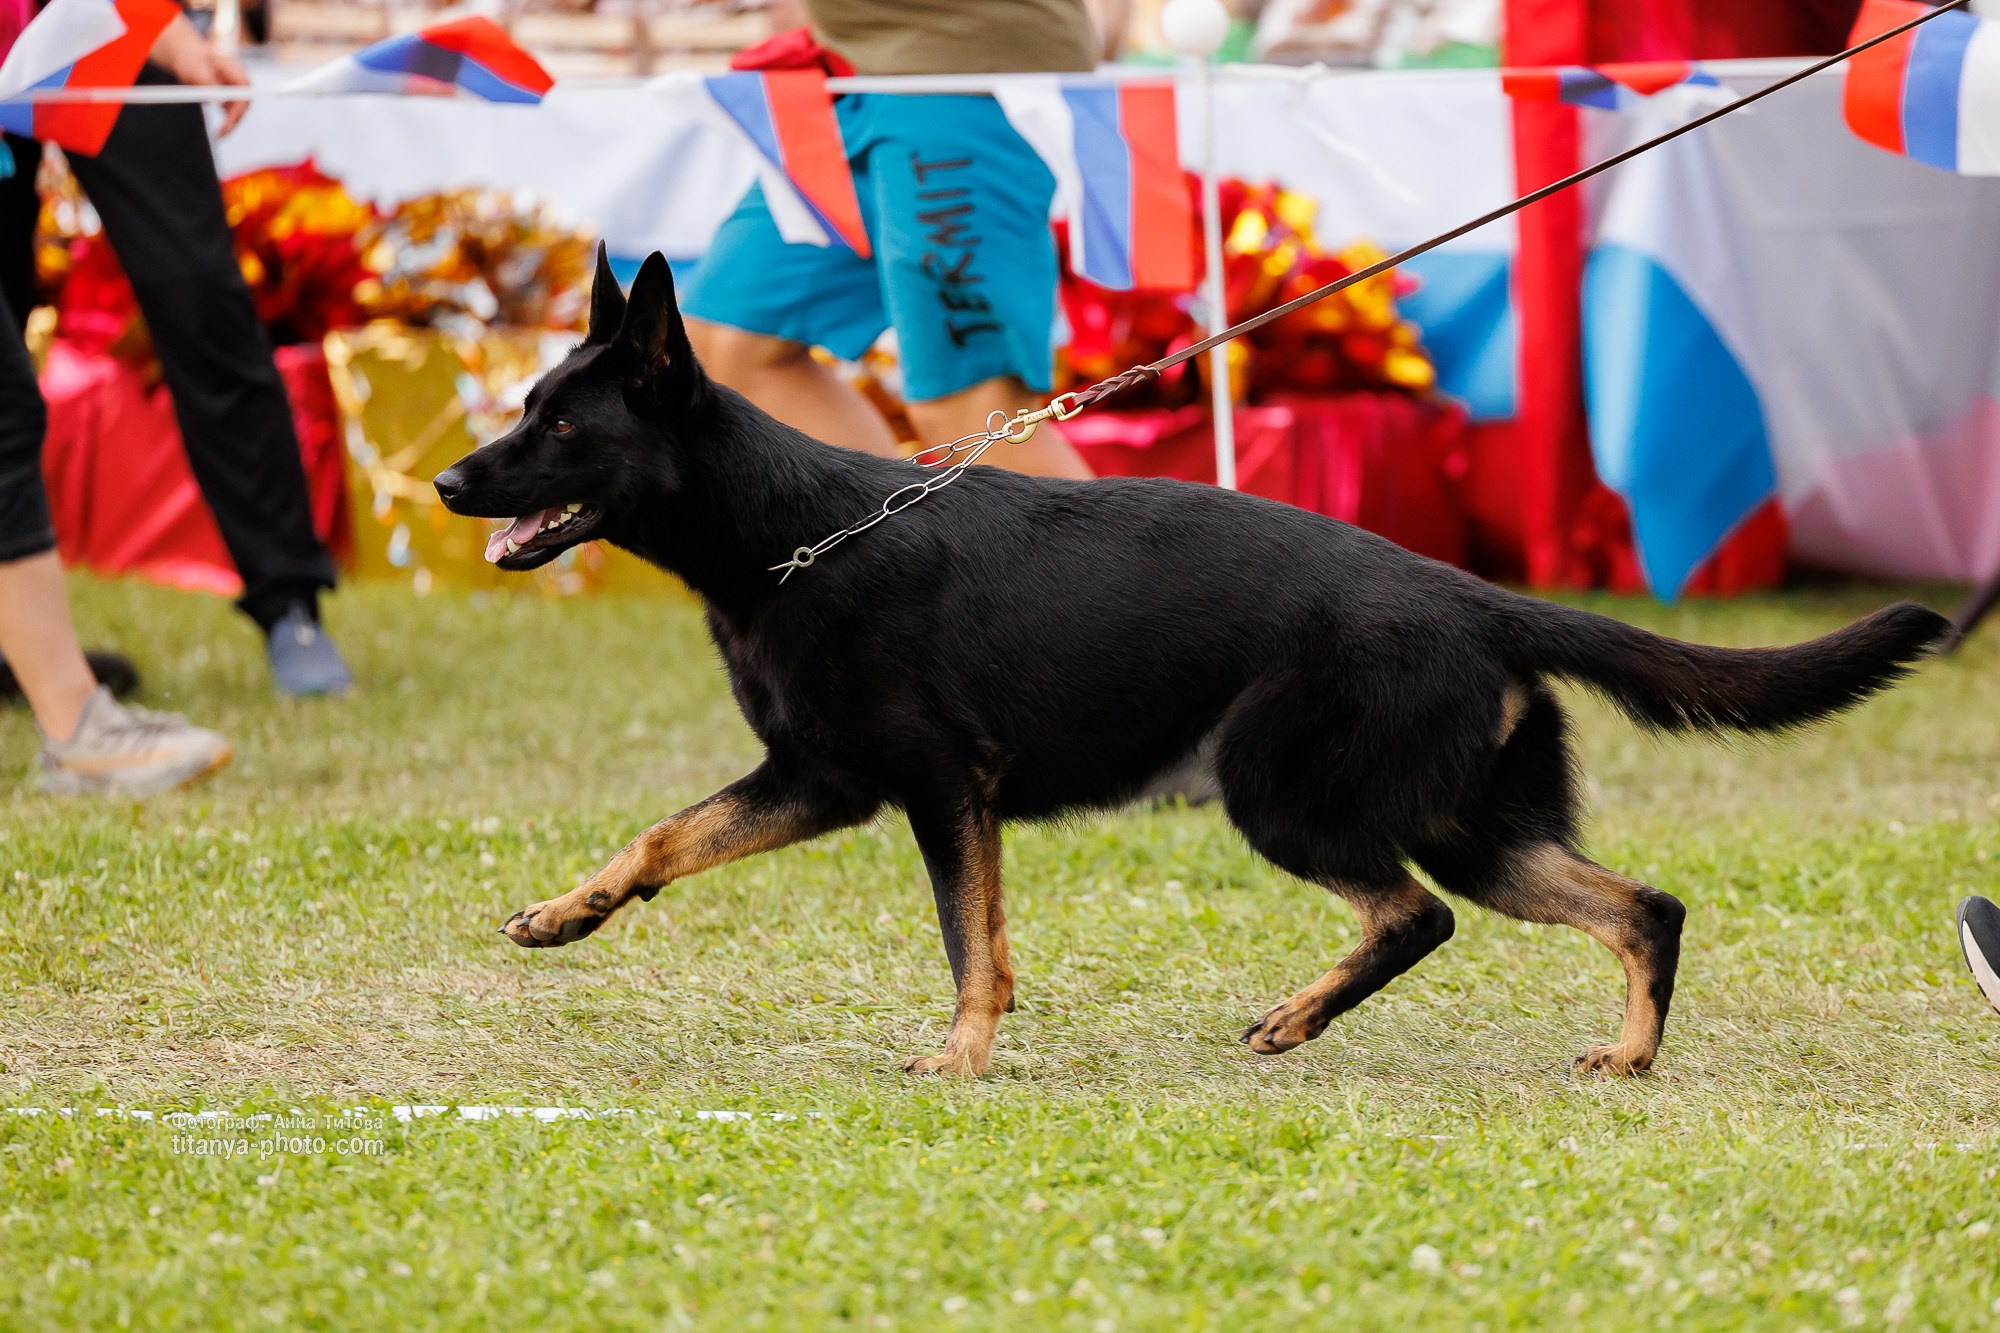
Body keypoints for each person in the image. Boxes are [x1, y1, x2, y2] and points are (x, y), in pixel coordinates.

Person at [0, 5, 352, 700]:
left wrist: (162, 28)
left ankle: (289, 605)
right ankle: (22, 642)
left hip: (99, 15)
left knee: (197, 291)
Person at [681, 0, 1098, 478]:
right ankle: (891, 550)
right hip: (850, 72)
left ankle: (1118, 557)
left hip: (958, 71)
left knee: (970, 407)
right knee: (728, 347)